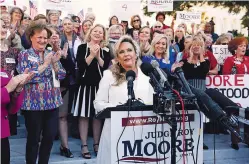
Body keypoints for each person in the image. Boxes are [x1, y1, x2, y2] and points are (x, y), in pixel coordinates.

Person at [94, 35, 154, 164]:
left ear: (136, 53)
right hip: (116, 132)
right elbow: (98, 103)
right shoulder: (109, 76)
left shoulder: (148, 76)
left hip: (143, 134)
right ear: (117, 58)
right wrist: (118, 109)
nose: (126, 54)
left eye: (129, 50)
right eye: (121, 52)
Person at [16, 21, 66, 164]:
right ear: (31, 37)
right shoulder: (24, 54)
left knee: (49, 137)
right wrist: (45, 65)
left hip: (52, 101)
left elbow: (62, 75)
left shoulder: (51, 53)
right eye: (40, 37)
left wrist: (55, 63)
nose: (43, 41)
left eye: (45, 38)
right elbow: (26, 77)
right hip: (33, 104)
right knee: (33, 138)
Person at [72, 24, 111, 159]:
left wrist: (98, 55)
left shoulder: (105, 49)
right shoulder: (82, 47)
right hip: (84, 86)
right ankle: (84, 145)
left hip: (99, 87)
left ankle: (96, 144)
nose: (97, 34)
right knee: (84, 116)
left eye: (100, 32)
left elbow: (105, 67)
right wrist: (91, 55)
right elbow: (81, 66)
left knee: (97, 116)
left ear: (103, 36)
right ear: (90, 32)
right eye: (95, 31)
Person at [223, 37, 249, 150]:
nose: (244, 48)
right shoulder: (229, 60)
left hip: (246, 91)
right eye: (241, 46)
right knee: (235, 114)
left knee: (248, 114)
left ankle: (248, 140)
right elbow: (225, 74)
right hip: (234, 91)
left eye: (245, 46)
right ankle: (235, 141)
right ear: (235, 48)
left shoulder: (248, 59)